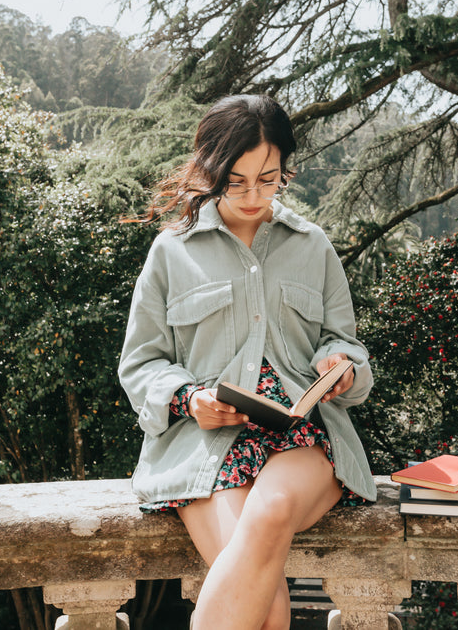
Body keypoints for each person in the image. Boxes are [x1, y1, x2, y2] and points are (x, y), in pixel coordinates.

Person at [118, 94, 376, 630]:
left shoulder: (312, 244)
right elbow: (141, 363)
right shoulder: (172, 251)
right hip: (206, 447)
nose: (254, 194)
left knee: (272, 508)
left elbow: (346, 343)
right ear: (210, 171)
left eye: (270, 177)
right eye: (236, 181)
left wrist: (341, 365)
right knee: (269, 608)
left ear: (286, 170)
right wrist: (191, 400)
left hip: (304, 438)